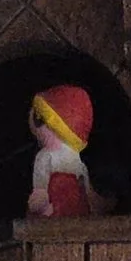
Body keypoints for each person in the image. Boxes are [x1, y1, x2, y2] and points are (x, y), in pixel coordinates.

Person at [25, 82, 102, 220]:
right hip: (77, 216)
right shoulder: (76, 159)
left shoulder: (44, 157)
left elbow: (40, 192)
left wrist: (38, 208)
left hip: (53, 214)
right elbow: (88, 192)